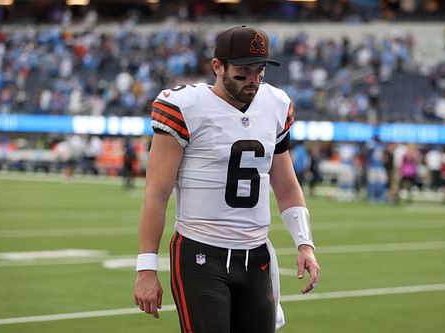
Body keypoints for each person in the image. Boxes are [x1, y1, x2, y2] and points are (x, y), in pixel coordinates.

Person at [133, 25, 320, 333]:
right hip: (201, 253)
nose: (253, 81)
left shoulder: (275, 104)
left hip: (256, 255)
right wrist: (146, 268)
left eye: (259, 71)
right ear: (217, 67)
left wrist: (305, 243)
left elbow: (286, 184)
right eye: (243, 72)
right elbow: (156, 193)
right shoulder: (185, 107)